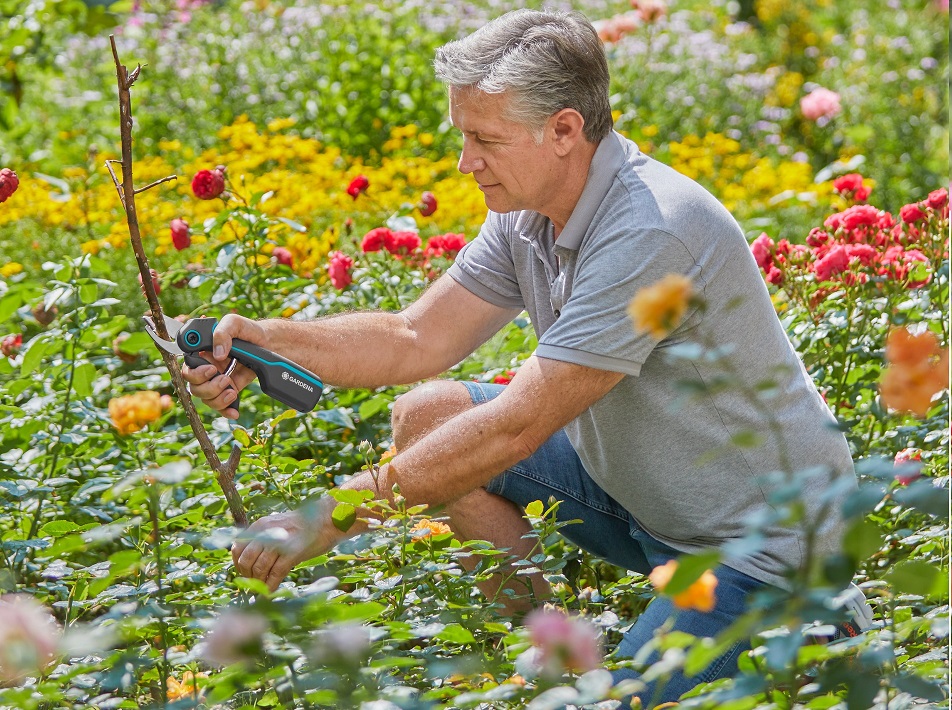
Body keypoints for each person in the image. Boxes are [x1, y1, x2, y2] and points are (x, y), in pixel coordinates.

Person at [183, 8, 862, 705]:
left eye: (484, 139)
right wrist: (265, 337)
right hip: (649, 503)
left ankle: (815, 630)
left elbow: (517, 427)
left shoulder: (652, 231)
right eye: (462, 135)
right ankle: (555, 668)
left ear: (565, 131)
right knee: (427, 417)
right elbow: (418, 336)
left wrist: (330, 515)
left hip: (766, 546)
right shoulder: (527, 212)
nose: (464, 161)